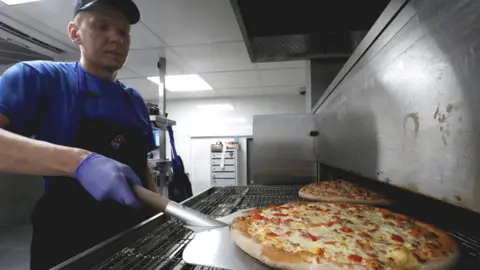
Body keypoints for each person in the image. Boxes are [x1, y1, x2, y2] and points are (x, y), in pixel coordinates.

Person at [0, 0, 158, 269]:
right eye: (102, 26)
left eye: (123, 32)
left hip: (131, 234)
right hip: (67, 237)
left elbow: (143, 169)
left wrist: (158, 221)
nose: (115, 38)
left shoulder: (134, 101)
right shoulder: (39, 78)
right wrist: (80, 163)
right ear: (75, 33)